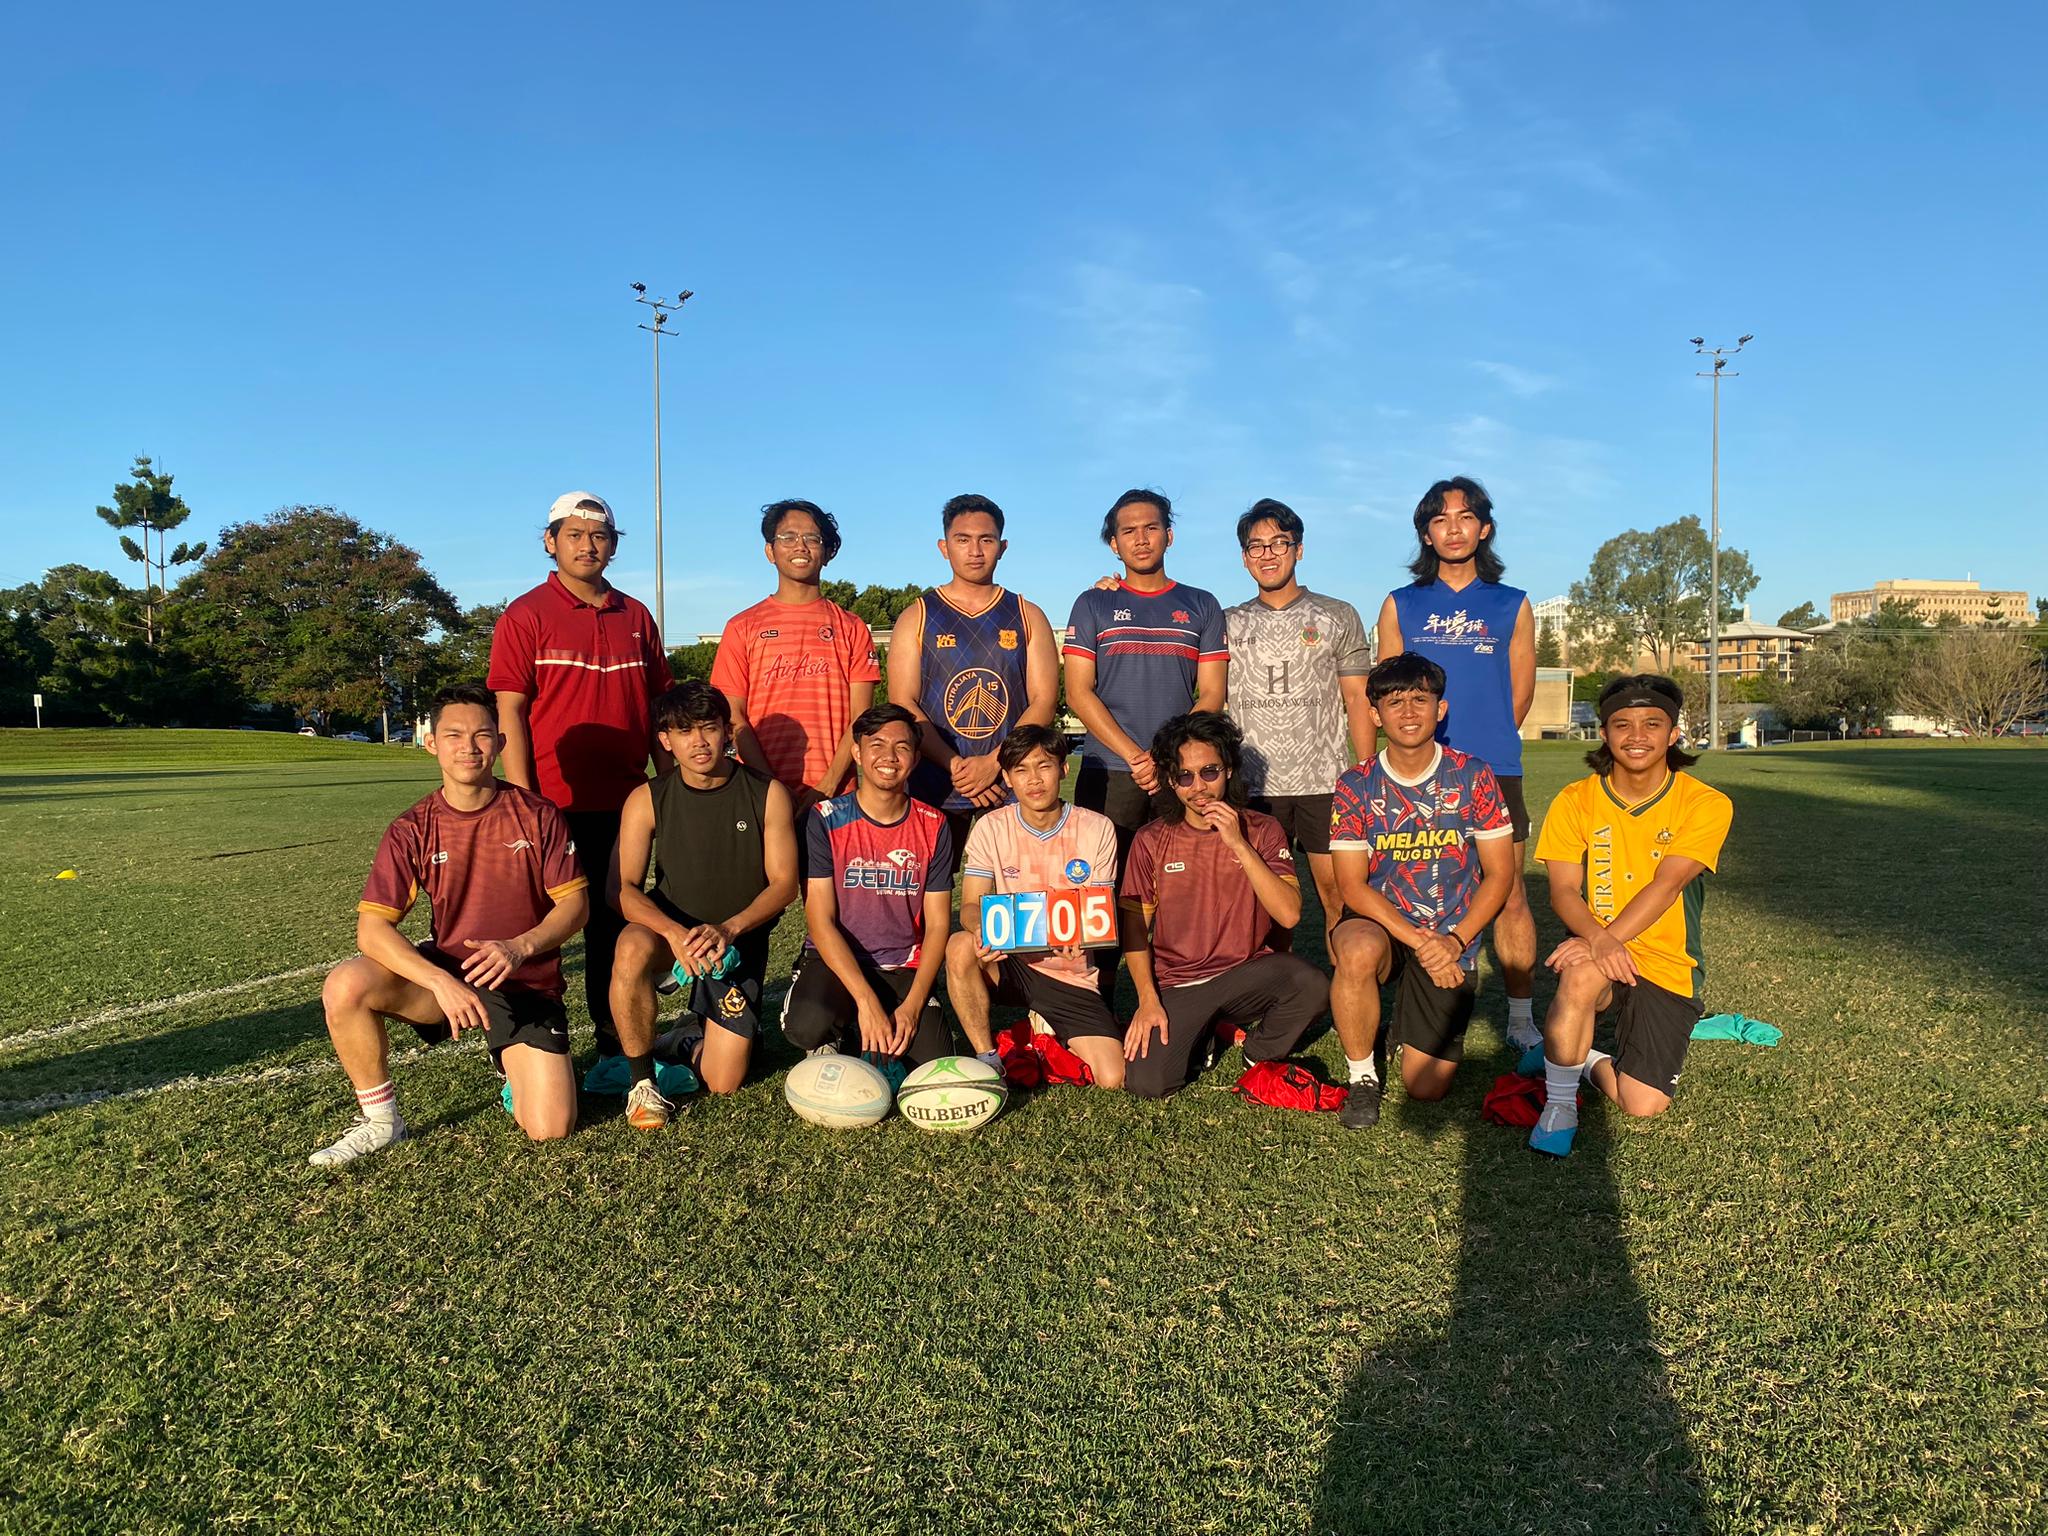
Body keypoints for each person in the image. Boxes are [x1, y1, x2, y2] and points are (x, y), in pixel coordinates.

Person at [312, 685, 589, 1166]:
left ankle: (509, 1065)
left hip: (522, 982)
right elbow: (371, 930)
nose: (469, 747)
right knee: (346, 983)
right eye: (454, 735)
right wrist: (441, 982)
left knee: (551, 1129)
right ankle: (381, 1122)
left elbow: (575, 906)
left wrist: (519, 948)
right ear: (432, 744)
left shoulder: (538, 814)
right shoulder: (412, 828)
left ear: (500, 743)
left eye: (482, 735)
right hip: (448, 979)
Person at [487, 491, 672, 1094]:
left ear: (613, 545)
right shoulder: (525, 614)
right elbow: (510, 711)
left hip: (626, 802)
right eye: (574, 534)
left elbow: (660, 709)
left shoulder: (636, 615)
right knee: (542, 928)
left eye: (599, 536)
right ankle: (524, 1053)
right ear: (550, 541)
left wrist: (668, 786)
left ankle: (615, 1049)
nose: (587, 546)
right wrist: (523, 801)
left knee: (612, 927)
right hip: (551, 805)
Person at [1528, 674, 1734, 1157]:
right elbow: (1562, 891)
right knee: (1580, 976)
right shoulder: (1575, 799)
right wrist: (1598, 941)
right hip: (1597, 947)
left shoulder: (1706, 803)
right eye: (1622, 724)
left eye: (1652, 724)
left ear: (1673, 733)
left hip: (1665, 963)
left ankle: (1579, 1058)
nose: (1636, 736)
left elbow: (1668, 885)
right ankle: (1560, 1105)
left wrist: (1603, 940)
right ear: (1604, 733)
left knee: (1642, 1104)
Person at [1376, 477, 1539, 1057]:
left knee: (1509, 893)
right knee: (1407, 891)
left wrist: (1481, 746)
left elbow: (1520, 693)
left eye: (1465, 517)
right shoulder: (1400, 604)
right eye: (1440, 519)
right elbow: (1388, 689)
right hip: (1417, 770)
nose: (1453, 528)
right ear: (1426, 532)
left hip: (1492, 767)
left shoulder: (1513, 603)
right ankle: (1408, 1013)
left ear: (1484, 527)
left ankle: (1520, 1016)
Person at [1326, 655, 1517, 1129]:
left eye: (1419, 699)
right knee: (1355, 948)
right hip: (1386, 925)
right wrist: (1421, 942)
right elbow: (1351, 885)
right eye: (1394, 703)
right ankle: (1362, 1077)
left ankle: (1401, 1030)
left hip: (1451, 933)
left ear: (1440, 708)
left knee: (1425, 1088)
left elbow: (1500, 875)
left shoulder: (1473, 775)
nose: (1408, 712)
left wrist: (1454, 941)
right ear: (1375, 715)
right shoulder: (1355, 783)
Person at [607, 681, 799, 1127]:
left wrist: (729, 929)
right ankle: (642, 1082)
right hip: (669, 937)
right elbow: (622, 888)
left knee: (723, 1080)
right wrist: (673, 934)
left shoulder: (767, 792)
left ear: (727, 732)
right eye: (684, 731)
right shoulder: (646, 798)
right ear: (665, 740)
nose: (698, 742)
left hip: (736, 941)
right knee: (631, 945)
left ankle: (687, 1037)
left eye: (709, 728)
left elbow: (784, 884)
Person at [1118, 711, 1329, 1099]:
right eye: (1184, 776)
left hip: (1247, 974)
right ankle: (1207, 1033)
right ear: (1170, 781)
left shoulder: (1262, 829)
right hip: (1180, 983)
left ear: (1229, 769)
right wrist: (1147, 1001)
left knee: (1312, 984)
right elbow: (1134, 930)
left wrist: (1238, 844)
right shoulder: (1150, 840)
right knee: (1149, 1083)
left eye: (1209, 772)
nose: (1198, 787)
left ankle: (1257, 1052)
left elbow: (1289, 913)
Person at [1065, 489, 1226, 998]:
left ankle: (1184, 993)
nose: (1141, 538)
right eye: (1128, 531)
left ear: (1169, 536)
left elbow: (1212, 694)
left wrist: (1165, 759)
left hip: (1179, 775)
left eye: (1151, 527)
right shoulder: (1093, 603)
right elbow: (1078, 692)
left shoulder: (1201, 604)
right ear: (1113, 543)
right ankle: (1102, 996)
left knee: (1181, 885)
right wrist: (1136, 756)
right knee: (1105, 888)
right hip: (1109, 770)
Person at [1222, 497, 1375, 933]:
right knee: (1258, 904)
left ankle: (1346, 978)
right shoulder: (1225, 623)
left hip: (1325, 783)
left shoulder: (1337, 614)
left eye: (1279, 543)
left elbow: (1357, 699)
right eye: (1256, 546)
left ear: (1299, 549)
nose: (1267, 554)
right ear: (1244, 557)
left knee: (1339, 898)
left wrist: (1366, 773)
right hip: (1253, 785)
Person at [945, 724, 1126, 1089]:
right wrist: (980, 929)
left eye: (1044, 766)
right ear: (1007, 778)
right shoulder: (991, 827)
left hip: (1069, 972)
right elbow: (969, 905)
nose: (1034, 779)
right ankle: (988, 1059)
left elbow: (1098, 911)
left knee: (1113, 1077)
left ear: (1064, 769)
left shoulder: (1097, 828)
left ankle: (1040, 1034)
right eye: (1021, 769)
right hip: (1009, 963)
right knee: (960, 946)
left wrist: (1084, 936)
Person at [780, 704, 956, 1068]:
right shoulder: (825, 819)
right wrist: (866, 1000)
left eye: (902, 747)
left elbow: (939, 925)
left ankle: (868, 1027)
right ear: (857, 753)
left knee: (933, 1061)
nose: (889, 757)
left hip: (902, 965)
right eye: (877, 745)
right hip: (836, 961)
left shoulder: (935, 824)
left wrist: (912, 1007)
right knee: (807, 1026)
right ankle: (842, 1026)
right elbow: (820, 921)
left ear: (915, 758)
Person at [887, 493, 1061, 851]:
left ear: (1003, 547)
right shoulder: (917, 616)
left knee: (1018, 879)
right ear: (944, 547)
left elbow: (1044, 701)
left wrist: (994, 762)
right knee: (928, 882)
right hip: (936, 779)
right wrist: (955, 765)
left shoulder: (1027, 614)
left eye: (986, 540)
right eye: (963, 540)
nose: (975, 551)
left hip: (1010, 779)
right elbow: (903, 702)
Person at [710, 499, 880, 814]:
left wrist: (828, 785)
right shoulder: (741, 627)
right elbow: (734, 715)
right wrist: (771, 785)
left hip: (837, 797)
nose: (800, 546)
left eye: (812, 538)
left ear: (826, 553)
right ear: (770, 551)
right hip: (760, 795)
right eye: (788, 537)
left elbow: (861, 716)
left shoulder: (852, 627)